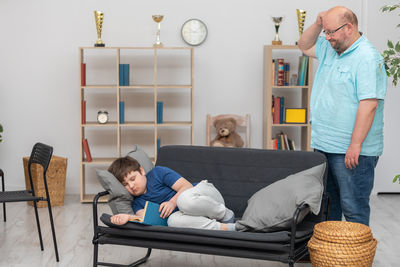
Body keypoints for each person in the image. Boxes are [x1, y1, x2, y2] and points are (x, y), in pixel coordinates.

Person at [298, 6, 387, 226]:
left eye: (331, 32)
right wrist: (319, 24)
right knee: (327, 207)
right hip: (325, 144)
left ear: (349, 27)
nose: (327, 38)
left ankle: (355, 259)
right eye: (325, 32)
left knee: (353, 208)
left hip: (351, 151)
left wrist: (355, 145)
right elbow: (304, 46)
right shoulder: (331, 47)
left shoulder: (367, 57)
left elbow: (369, 105)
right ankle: (333, 256)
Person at [107, 156, 236, 231]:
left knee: (183, 201)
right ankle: (225, 227)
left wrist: (171, 203)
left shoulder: (158, 173)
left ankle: (225, 214)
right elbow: (145, 219)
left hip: (204, 195)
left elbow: (187, 186)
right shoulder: (138, 203)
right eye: (125, 185)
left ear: (141, 171)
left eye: (133, 179)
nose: (131, 186)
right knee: (172, 221)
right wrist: (127, 217)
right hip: (194, 214)